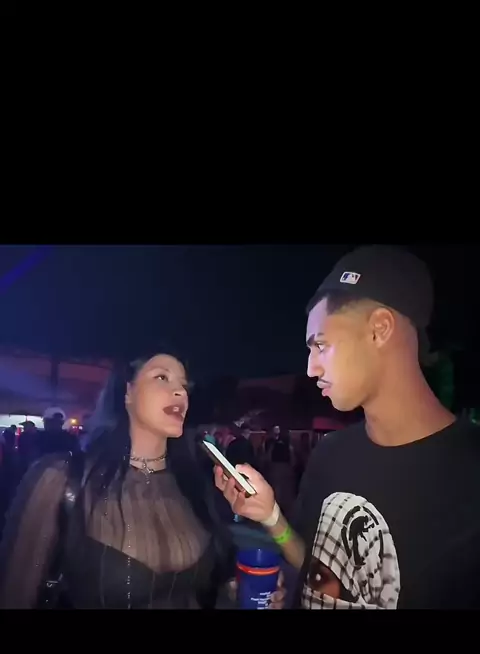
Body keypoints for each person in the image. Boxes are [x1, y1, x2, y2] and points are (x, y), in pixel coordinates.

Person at [215, 245, 480, 609]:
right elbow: (318, 568)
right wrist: (271, 515)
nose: (311, 369)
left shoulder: (470, 470)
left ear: (380, 330)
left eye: (321, 345)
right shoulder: (331, 454)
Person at [0, 351, 242, 609]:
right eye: (162, 377)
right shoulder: (61, 479)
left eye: (185, 385)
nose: (180, 392)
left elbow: (218, 580)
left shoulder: (194, 484)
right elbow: (16, 595)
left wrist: (236, 589)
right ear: (128, 392)